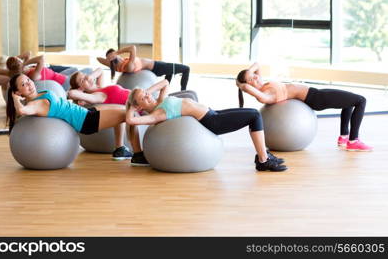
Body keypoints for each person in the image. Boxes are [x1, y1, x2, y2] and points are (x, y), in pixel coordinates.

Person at [125, 79, 287, 171]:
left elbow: (165, 82)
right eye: (144, 99)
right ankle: (263, 160)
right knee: (254, 115)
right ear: (139, 107)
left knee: (252, 113)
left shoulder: (160, 102)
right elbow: (131, 120)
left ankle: (263, 156)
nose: (148, 96)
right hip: (212, 122)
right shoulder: (156, 115)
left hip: (212, 113)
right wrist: (131, 106)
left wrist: (144, 90)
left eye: (147, 94)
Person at [6, 73, 147, 162]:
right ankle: (138, 155)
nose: (29, 84)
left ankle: (120, 149)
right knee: (129, 114)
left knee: (121, 108)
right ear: (18, 91)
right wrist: (15, 98)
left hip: (84, 112)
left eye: (28, 80)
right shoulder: (37, 103)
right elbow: (23, 110)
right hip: (85, 121)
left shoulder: (39, 94)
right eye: (23, 84)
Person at [236, 62, 372, 152]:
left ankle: (344, 137)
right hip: (316, 98)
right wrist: (242, 85)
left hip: (315, 92)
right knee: (361, 101)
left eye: (254, 75)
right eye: (251, 79)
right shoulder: (265, 94)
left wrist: (247, 75)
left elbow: (257, 65)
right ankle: (353, 141)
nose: (255, 77)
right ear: (249, 86)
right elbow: (249, 88)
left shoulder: (263, 84)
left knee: (348, 101)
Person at [97, 45, 190, 91]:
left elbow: (99, 59)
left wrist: (109, 58)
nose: (119, 55)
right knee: (186, 69)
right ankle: (183, 91)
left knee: (170, 72)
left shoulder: (116, 66)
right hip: (157, 67)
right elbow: (133, 48)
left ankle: (164, 91)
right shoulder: (128, 66)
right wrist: (116, 52)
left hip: (156, 64)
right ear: (116, 57)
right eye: (116, 55)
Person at [0, 51, 90, 91]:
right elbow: (41, 58)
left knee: (75, 69)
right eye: (20, 61)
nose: (21, 60)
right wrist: (23, 64)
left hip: (59, 75)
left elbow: (28, 53)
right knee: (89, 70)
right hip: (63, 82)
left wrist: (16, 60)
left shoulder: (25, 71)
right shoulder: (33, 75)